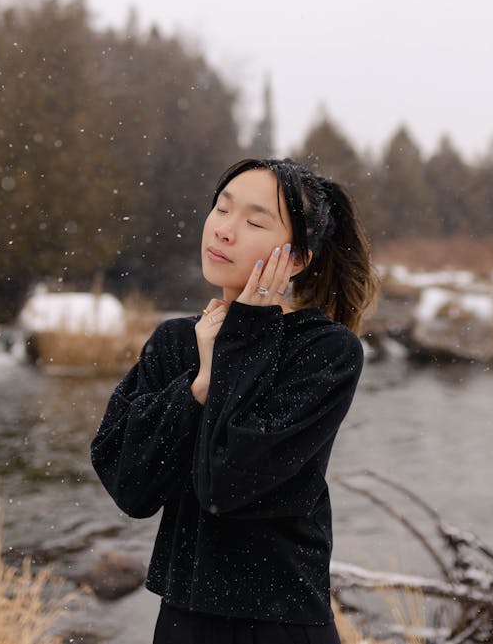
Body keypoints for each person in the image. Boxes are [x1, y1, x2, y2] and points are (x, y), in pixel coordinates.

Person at [91, 157, 378, 644]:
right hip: (182, 618)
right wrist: (196, 387)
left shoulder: (326, 353)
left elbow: (227, 484)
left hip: (280, 623)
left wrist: (242, 338)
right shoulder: (176, 343)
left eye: (254, 221)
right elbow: (130, 485)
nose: (224, 230)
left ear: (298, 258)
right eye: (222, 210)